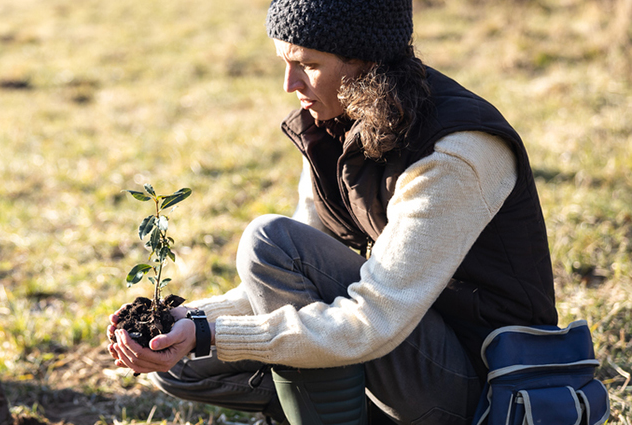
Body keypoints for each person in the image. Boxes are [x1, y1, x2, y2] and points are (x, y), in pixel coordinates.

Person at [106, 0, 557, 423]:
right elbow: (282, 286)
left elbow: (374, 319)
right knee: (181, 365)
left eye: (308, 64)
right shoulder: (337, 122)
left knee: (270, 241)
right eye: (284, 62)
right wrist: (189, 325)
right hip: (397, 345)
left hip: (480, 385)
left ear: (365, 61)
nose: (290, 85)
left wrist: (213, 335)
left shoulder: (456, 151)